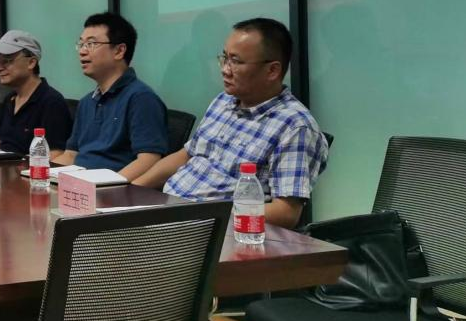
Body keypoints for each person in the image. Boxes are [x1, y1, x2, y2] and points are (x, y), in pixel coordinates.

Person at [134, 18, 330, 229]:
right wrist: (130, 190)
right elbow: (186, 155)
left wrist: (208, 216)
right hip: (169, 211)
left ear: (272, 71)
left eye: (236, 62)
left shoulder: (294, 126)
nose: (225, 69)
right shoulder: (224, 101)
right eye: (225, 58)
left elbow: (286, 213)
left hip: (213, 229)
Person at [54, 13, 167, 180]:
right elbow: (71, 155)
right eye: (81, 44)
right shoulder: (86, 102)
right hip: (78, 186)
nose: (82, 51)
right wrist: (40, 174)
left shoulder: (141, 98)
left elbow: (149, 160)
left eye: (91, 44)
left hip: (113, 189)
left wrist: (105, 186)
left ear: (119, 51)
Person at [0, 30, 72, 155]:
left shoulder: (51, 102)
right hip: (3, 165)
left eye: (6, 61)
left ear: (31, 62)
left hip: (29, 167)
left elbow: (56, 153)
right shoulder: (9, 99)